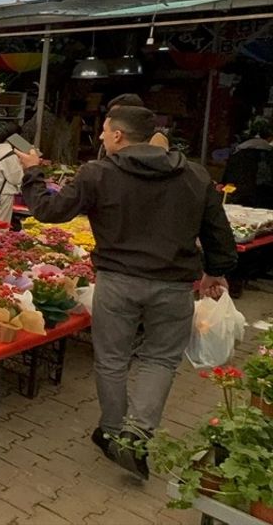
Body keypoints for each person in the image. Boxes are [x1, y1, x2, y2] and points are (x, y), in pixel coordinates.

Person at [16, 106, 237, 479]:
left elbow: (50, 210)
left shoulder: (99, 173)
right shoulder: (194, 175)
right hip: (174, 285)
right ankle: (137, 432)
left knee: (112, 358)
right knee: (161, 359)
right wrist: (216, 271)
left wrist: (32, 172)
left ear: (118, 135)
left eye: (104, 131)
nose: (100, 137)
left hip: (118, 284)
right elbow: (218, 230)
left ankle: (115, 429)